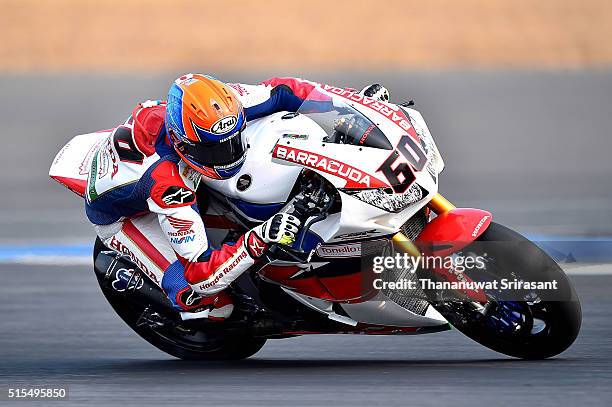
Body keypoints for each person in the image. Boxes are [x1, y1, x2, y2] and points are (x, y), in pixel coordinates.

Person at [85, 74, 389, 320]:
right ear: (183, 143)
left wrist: (353, 106)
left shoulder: (224, 105)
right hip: (126, 217)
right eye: (214, 150)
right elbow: (199, 272)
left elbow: (287, 90)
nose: (227, 155)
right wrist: (258, 239)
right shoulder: (167, 181)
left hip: (172, 159)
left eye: (232, 141)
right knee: (199, 295)